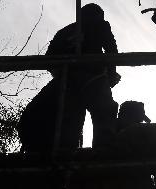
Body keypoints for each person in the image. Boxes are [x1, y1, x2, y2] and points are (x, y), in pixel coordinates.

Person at [19, 3, 120, 152]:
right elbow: (112, 50)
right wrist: (111, 73)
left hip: (71, 81)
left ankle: (67, 149)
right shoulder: (99, 26)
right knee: (99, 113)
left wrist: (62, 73)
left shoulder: (65, 31)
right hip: (90, 78)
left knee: (72, 117)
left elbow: (49, 60)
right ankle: (101, 150)